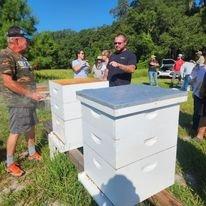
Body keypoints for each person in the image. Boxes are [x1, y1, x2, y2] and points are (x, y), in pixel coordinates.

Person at [0, 26, 44, 177]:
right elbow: (7, 82)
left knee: (31, 126)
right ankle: (10, 163)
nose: (28, 43)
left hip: (28, 100)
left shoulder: (22, 58)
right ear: (17, 40)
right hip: (17, 101)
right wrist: (30, 94)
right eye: (26, 40)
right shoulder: (6, 55)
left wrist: (34, 94)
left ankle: (31, 152)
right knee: (16, 131)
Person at [190, 60, 206, 137]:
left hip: (203, 95)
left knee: (203, 115)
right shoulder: (200, 68)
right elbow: (194, 79)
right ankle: (194, 128)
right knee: (197, 112)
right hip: (198, 94)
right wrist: (194, 91)